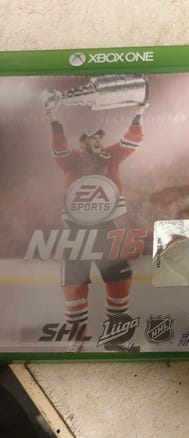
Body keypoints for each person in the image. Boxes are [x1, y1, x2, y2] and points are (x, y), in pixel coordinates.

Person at [47, 103, 147, 352]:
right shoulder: (72, 160)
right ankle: (77, 339)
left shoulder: (111, 156)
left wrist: (139, 114)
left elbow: (131, 140)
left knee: (120, 279)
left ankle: (116, 337)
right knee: (74, 285)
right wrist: (54, 123)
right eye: (93, 138)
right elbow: (59, 150)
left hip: (107, 226)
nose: (98, 141)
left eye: (99, 138)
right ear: (82, 143)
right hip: (76, 229)